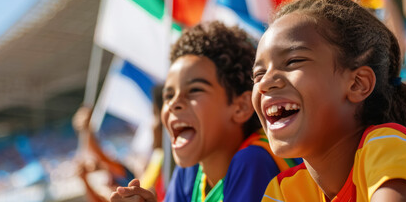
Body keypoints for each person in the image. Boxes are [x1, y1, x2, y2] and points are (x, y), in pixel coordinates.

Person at [252, 0, 406, 201]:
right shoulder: (285, 191)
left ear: (358, 84)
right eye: (258, 74)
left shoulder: (386, 146)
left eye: (293, 61)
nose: (265, 83)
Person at [111, 21, 300, 202]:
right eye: (169, 95)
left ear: (241, 107)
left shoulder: (253, 161)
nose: (174, 103)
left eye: (194, 90)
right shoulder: (190, 171)